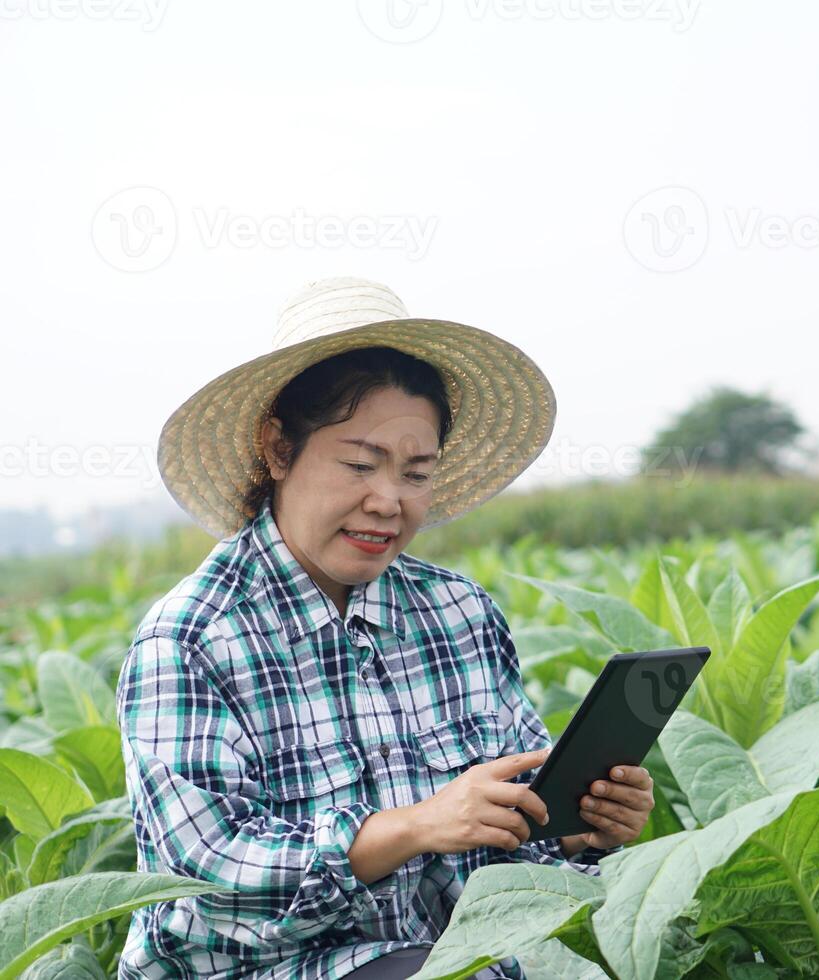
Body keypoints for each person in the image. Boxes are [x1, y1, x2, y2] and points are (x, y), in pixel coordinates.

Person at [115, 278, 655, 979]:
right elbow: (209, 877)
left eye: (416, 473)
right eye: (360, 464)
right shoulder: (192, 638)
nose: (388, 501)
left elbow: (517, 839)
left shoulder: (456, 612)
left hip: (453, 962)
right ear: (278, 450)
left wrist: (583, 827)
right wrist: (412, 826)